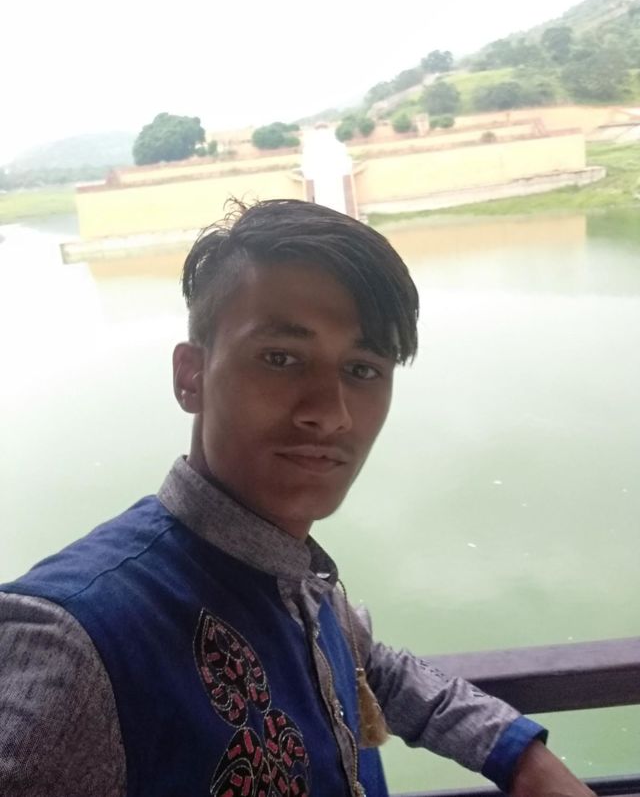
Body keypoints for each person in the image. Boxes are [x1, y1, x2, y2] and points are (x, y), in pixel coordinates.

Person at [0, 199, 594, 797]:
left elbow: (369, 666)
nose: (331, 414)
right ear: (191, 376)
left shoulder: (300, 582)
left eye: (362, 369)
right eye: (281, 359)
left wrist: (523, 757)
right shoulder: (73, 639)